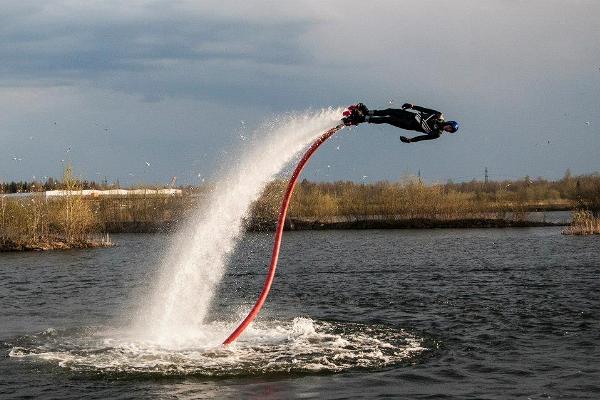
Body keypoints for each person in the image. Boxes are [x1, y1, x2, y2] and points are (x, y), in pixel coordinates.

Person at [342, 103, 459, 143]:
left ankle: (362, 119)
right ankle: (368, 112)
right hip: (411, 115)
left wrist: (410, 140)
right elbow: (424, 110)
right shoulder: (439, 115)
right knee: (390, 111)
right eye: (450, 127)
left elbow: (422, 138)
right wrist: (412, 106)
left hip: (409, 124)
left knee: (388, 119)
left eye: (450, 130)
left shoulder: (437, 133)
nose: (448, 129)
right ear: (449, 122)